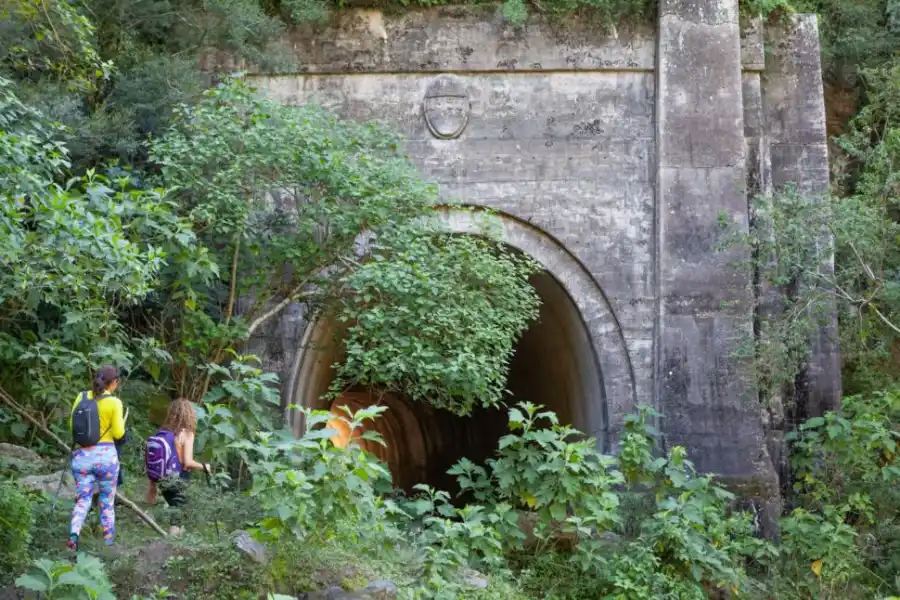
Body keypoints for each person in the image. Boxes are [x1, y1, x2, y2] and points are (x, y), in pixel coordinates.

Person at [68, 365, 125, 551]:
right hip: (106, 458)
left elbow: (72, 425)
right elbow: (118, 433)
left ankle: (73, 536)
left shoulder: (81, 397)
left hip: (82, 457)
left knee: (83, 499)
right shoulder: (114, 402)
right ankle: (108, 543)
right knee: (107, 501)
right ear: (114, 382)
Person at [145, 398, 210, 536]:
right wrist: (204, 467)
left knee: (175, 508)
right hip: (179, 477)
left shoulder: (162, 432)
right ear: (188, 414)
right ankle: (171, 545)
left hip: (162, 478)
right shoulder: (187, 433)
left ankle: (150, 522)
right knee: (177, 514)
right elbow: (187, 462)